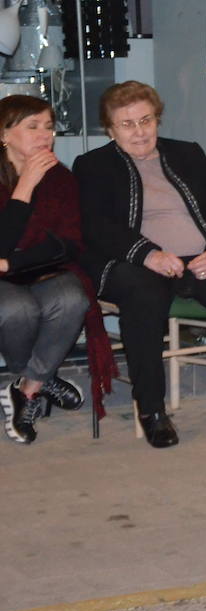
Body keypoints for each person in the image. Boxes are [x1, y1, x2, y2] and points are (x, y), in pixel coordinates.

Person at [75, 81, 206, 447]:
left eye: (146, 120)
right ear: (110, 129)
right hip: (135, 262)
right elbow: (96, 226)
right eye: (127, 124)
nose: (139, 132)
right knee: (143, 297)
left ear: (157, 120)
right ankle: (152, 411)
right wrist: (148, 254)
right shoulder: (93, 165)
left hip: (200, 258)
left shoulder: (187, 153)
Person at [0, 95, 90, 445]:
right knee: (15, 308)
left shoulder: (60, 178)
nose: (44, 136)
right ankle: (42, 377)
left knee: (72, 299)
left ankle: (29, 387)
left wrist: (12, 264)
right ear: (4, 134)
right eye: (32, 126)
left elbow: (67, 244)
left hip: (40, 269)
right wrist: (25, 186)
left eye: (49, 127)